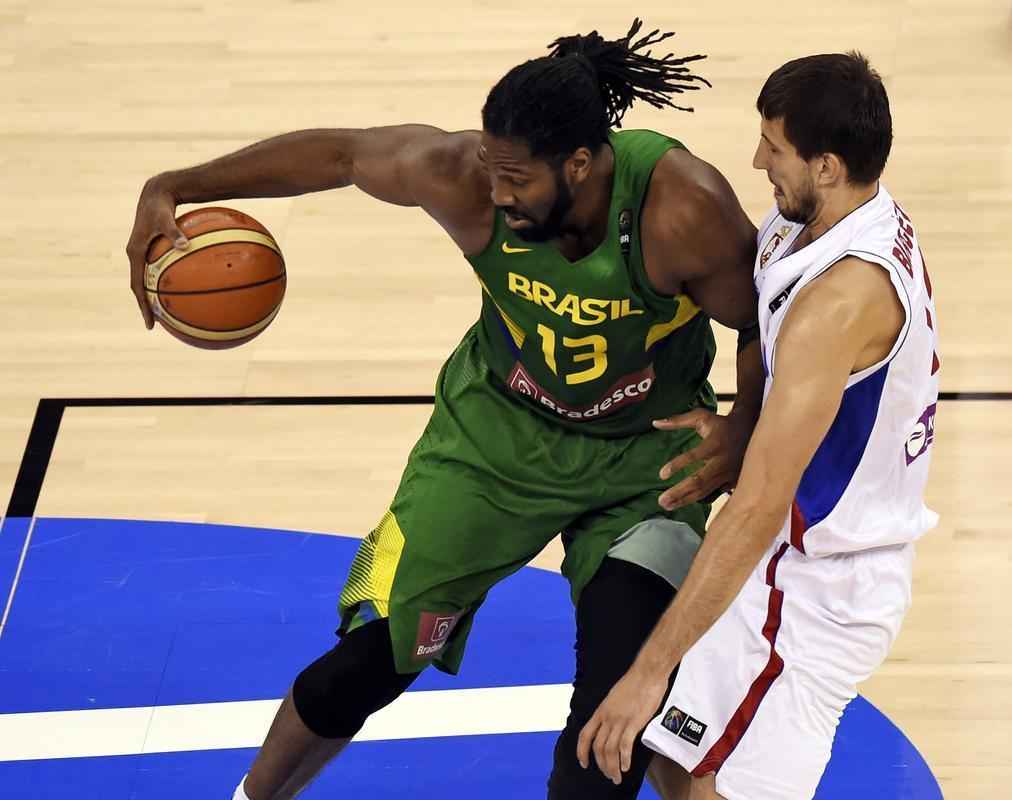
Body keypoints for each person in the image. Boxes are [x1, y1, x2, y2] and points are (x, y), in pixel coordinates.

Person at [126, 20, 765, 799]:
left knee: (608, 734)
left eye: (518, 179)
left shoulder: (680, 207)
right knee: (360, 667)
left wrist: (742, 426)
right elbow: (339, 154)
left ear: (581, 163)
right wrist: (177, 186)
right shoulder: (463, 176)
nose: (498, 194)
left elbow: (764, 318)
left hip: (643, 467)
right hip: (485, 441)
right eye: (493, 172)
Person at [577, 51, 940, 800]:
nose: (757, 161)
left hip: (819, 587)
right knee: (681, 758)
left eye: (774, 147)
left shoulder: (840, 300)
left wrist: (648, 672)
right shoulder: (810, 222)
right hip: (791, 560)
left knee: (704, 765)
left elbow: (757, 506)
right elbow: (761, 331)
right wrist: (745, 417)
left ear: (829, 165)